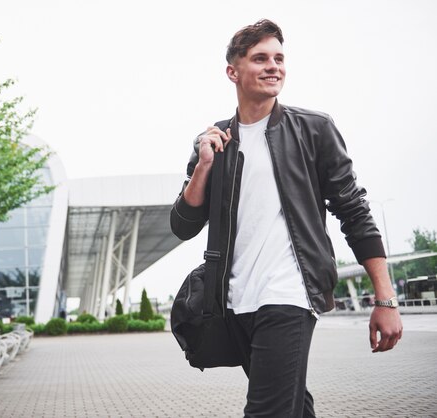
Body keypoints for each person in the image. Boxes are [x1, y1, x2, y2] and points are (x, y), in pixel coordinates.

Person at [170, 19, 403, 418]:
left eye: (279, 58)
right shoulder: (215, 141)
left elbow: (354, 211)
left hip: (289, 293)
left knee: (267, 410)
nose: (273, 66)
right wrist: (204, 167)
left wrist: (385, 298)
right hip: (234, 301)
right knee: (292, 406)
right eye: (260, 58)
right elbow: (183, 224)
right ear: (233, 71)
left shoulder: (313, 130)